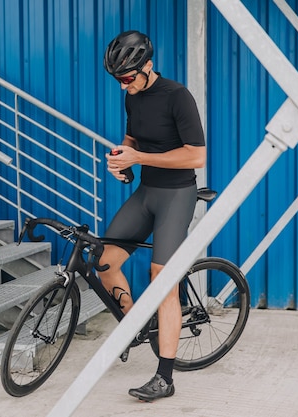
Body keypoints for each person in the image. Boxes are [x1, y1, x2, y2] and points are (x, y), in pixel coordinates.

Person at [99, 30, 206, 401]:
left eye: (128, 77)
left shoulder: (177, 96)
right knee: (105, 263)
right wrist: (121, 158)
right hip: (146, 192)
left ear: (148, 66)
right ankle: (135, 325)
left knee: (162, 280)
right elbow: (132, 139)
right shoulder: (133, 98)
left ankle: (165, 377)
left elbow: (196, 156)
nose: (123, 85)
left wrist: (139, 158)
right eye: (117, 79)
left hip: (177, 193)